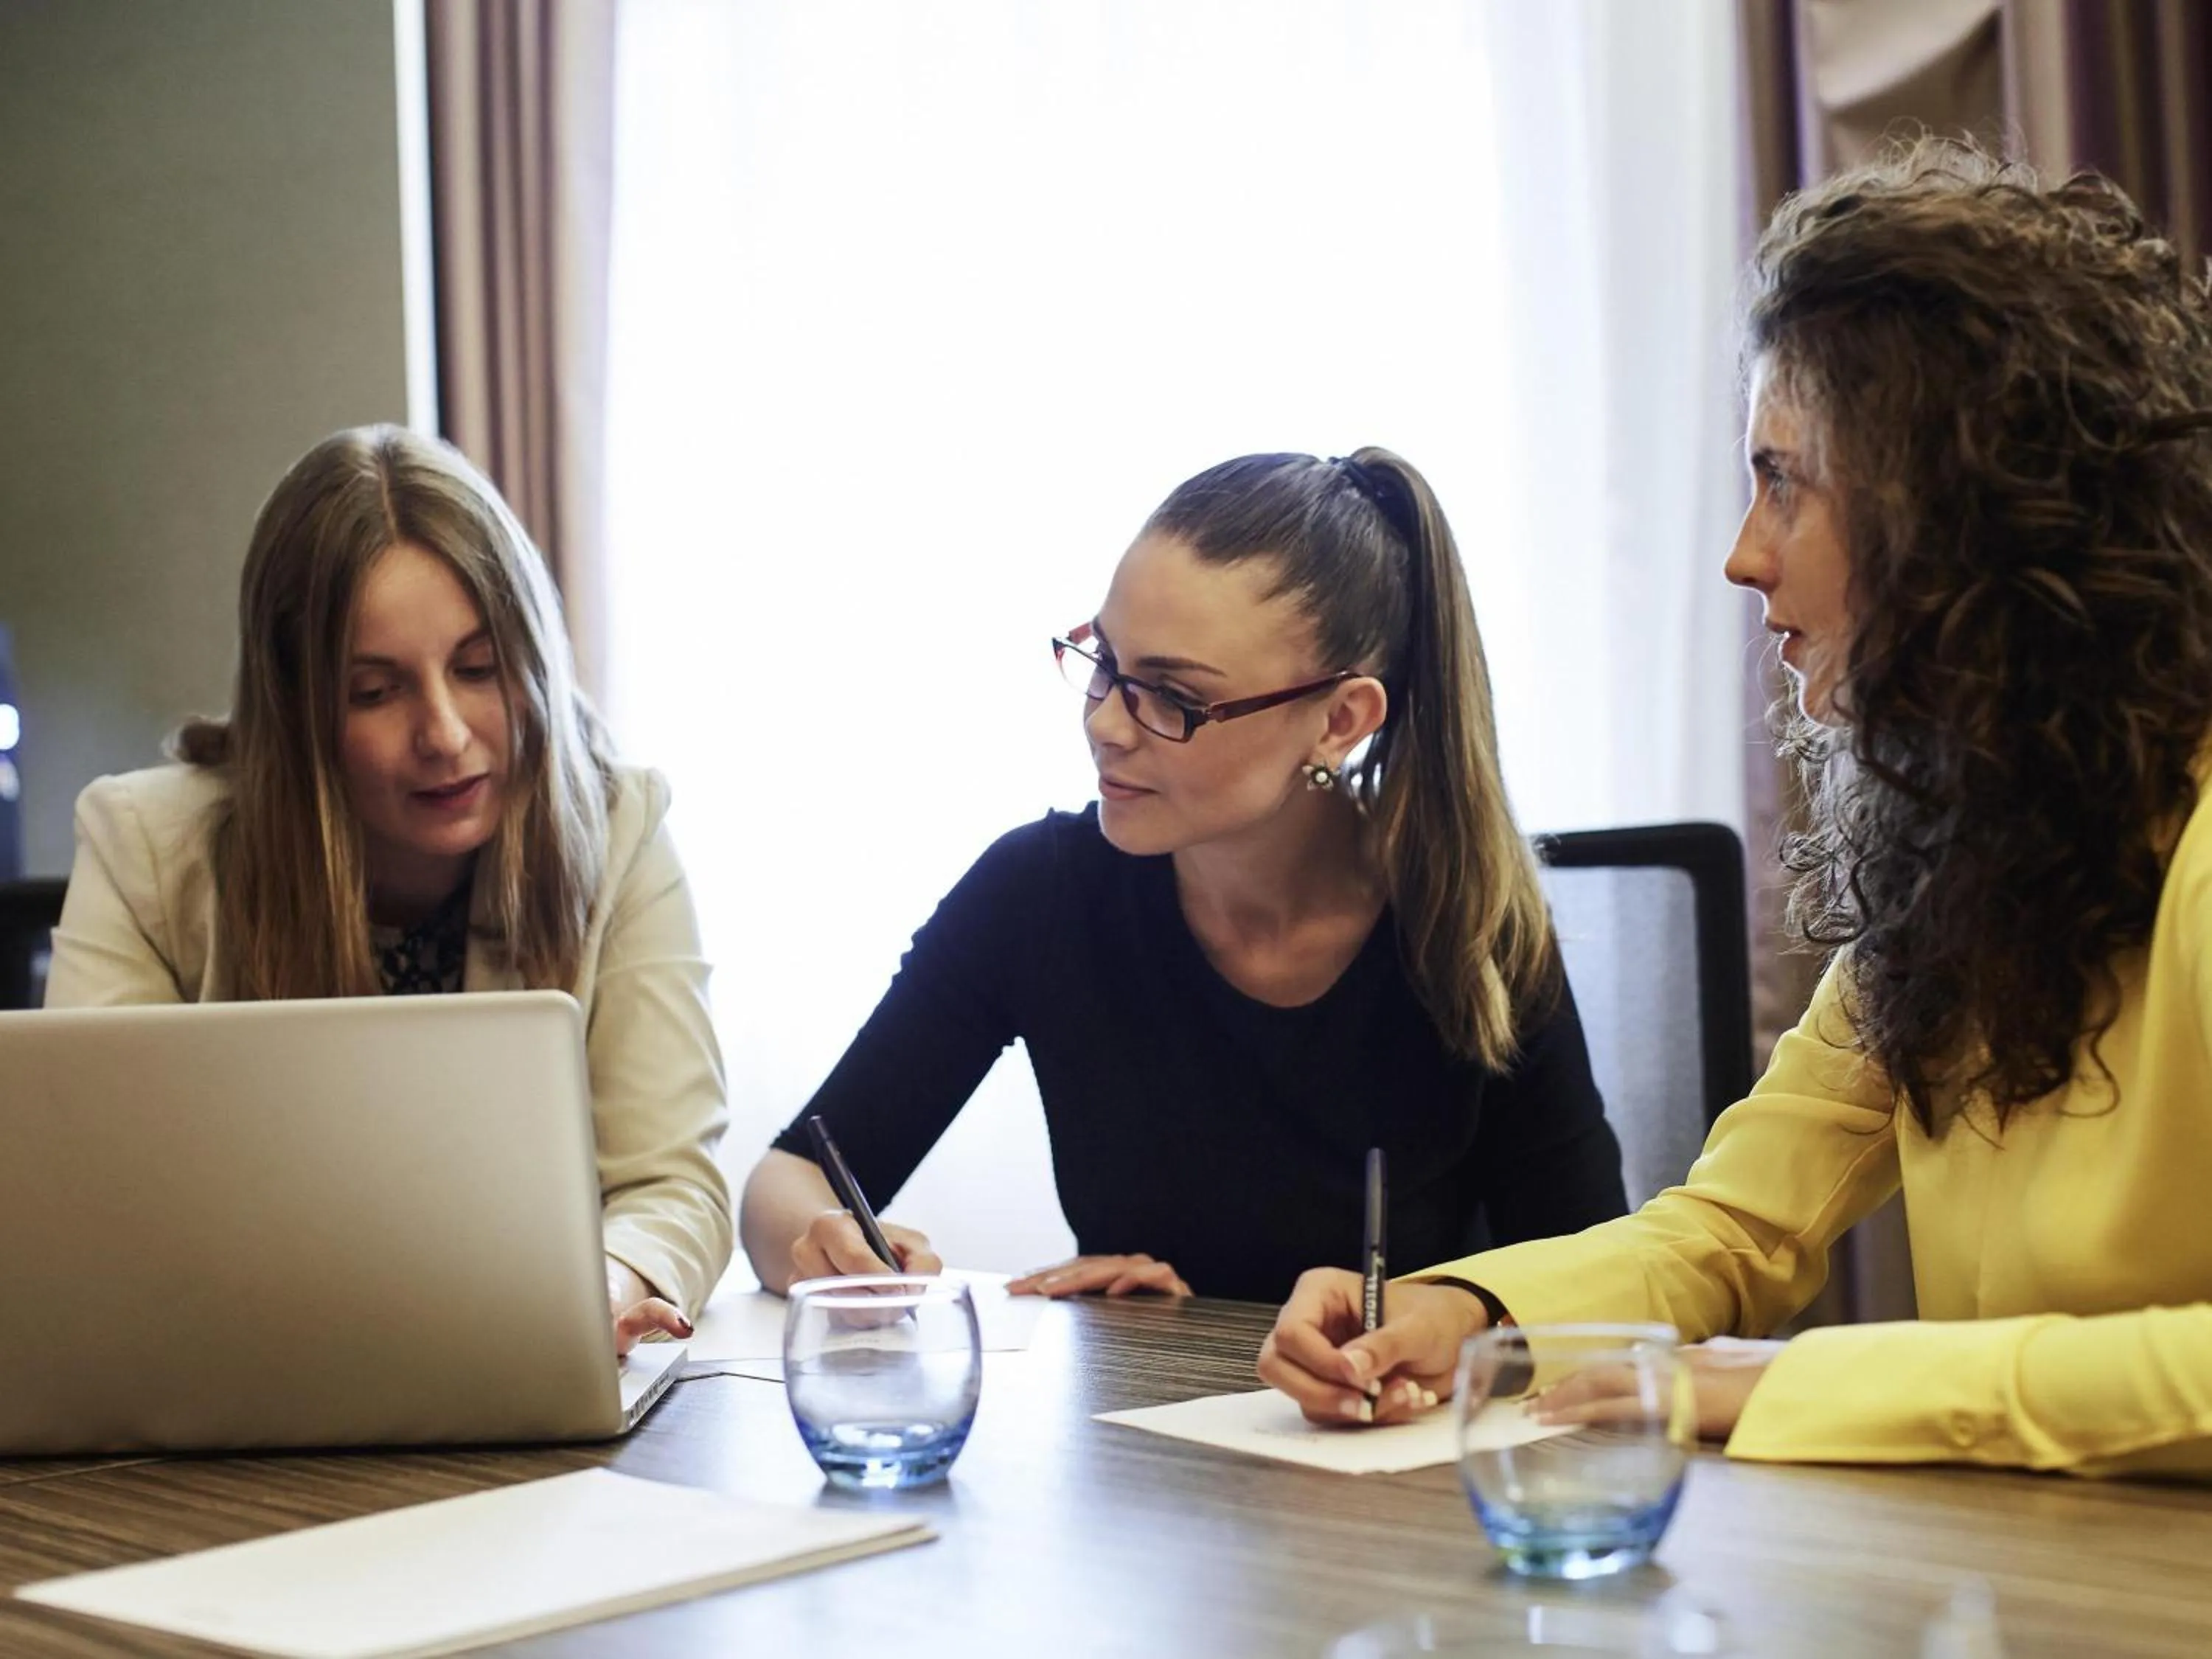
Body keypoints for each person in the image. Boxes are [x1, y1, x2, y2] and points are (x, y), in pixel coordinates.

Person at [1259, 138, 2212, 1479]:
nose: (1742, 553)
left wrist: (1809, 1386)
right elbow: (1732, 1229)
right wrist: (1467, 1313)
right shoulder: (1961, 849)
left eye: (1784, 480)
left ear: (1964, 510)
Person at [740, 448, 1627, 1305]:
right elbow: (791, 1175)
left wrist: (1431, 1317)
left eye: (1173, 697)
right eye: (1106, 663)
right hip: (1140, 1440)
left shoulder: (1469, 926)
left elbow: (1596, 1292)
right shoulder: (1040, 893)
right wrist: (827, 1241)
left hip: (1395, 1440)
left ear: (1340, 720)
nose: (1108, 726)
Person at [46, 425, 733, 1352]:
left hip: (527, 1359)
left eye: (479, 670)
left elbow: (671, 1184)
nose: (444, 733)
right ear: (299, 712)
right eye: (376, 691)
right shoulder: (141, 848)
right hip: (242, 1369)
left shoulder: (619, 829)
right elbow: (92, 1197)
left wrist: (598, 1292)